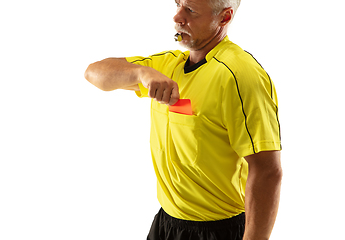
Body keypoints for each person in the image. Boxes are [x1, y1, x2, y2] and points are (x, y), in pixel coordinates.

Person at [84, 0, 282, 239]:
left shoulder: (240, 76)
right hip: (166, 223)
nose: (177, 17)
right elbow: (94, 73)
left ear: (224, 17)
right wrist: (141, 72)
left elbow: (267, 171)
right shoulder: (169, 64)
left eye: (190, 10)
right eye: (177, 4)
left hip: (217, 231)